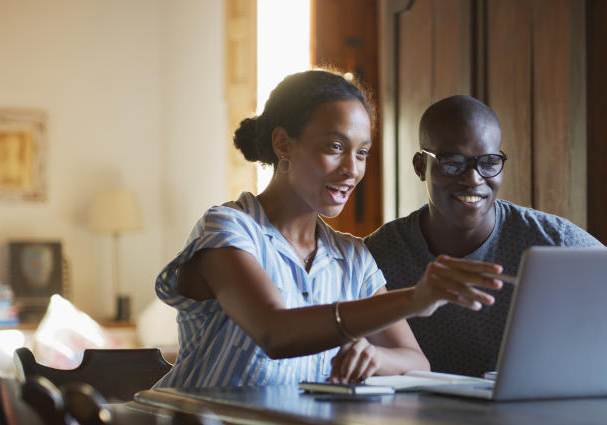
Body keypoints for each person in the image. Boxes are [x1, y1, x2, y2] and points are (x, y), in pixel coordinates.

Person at [154, 72, 505, 388]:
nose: (351, 169)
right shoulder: (229, 230)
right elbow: (276, 333)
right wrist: (415, 298)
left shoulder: (352, 257)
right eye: (335, 147)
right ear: (284, 144)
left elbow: (416, 363)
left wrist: (377, 358)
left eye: (362, 152)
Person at [365, 95, 605, 377]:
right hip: (416, 417)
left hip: (528, 414)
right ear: (420, 166)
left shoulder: (554, 242)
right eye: (453, 162)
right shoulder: (378, 255)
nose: (474, 178)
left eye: (489, 162)